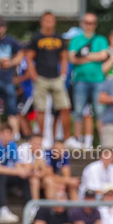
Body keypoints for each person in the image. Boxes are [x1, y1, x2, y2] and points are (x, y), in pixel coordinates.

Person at [26, 11, 72, 140]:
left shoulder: (59, 37)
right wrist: (33, 75)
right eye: (46, 20)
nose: (49, 23)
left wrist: (63, 74)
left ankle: (67, 139)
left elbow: (64, 57)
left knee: (64, 107)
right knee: (41, 109)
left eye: (51, 20)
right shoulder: (36, 38)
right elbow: (29, 58)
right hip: (41, 78)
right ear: (42, 22)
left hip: (56, 78)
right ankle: (41, 138)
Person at [68, 13, 109, 150]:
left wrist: (84, 55)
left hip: (98, 80)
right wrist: (93, 57)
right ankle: (78, 139)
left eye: (91, 23)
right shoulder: (76, 40)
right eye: (86, 22)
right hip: (80, 80)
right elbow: (72, 59)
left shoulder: (101, 39)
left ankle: (104, 142)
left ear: (95, 25)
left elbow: (103, 56)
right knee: (79, 111)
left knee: (99, 111)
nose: (88, 25)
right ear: (82, 23)